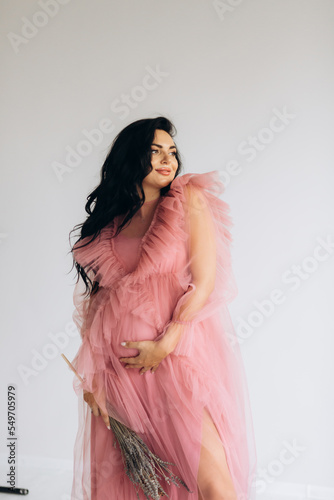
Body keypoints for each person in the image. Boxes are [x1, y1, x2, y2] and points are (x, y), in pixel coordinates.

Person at [69, 116, 257, 500]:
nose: (167, 159)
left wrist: (167, 342)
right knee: (135, 482)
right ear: (130, 156)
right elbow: (98, 304)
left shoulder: (189, 199)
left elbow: (204, 283)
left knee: (213, 482)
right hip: (119, 373)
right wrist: (91, 378)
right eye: (154, 151)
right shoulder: (110, 224)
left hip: (177, 357)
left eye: (172, 151)